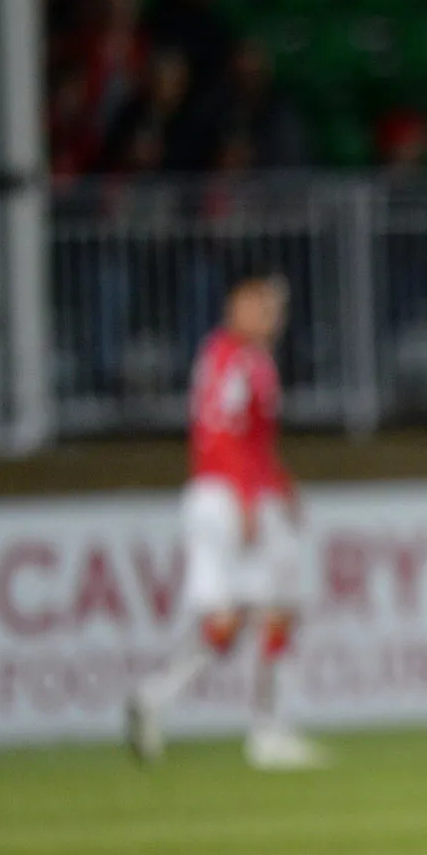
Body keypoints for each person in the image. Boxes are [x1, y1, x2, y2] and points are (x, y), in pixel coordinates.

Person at [126, 274, 323, 771]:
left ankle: (153, 697)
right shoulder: (238, 360)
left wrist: (282, 485)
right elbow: (225, 436)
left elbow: (251, 442)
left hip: (218, 492)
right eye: (263, 306)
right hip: (229, 495)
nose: (273, 317)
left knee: (226, 622)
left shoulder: (220, 356)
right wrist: (247, 498)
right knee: (278, 607)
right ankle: (267, 733)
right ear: (238, 307)